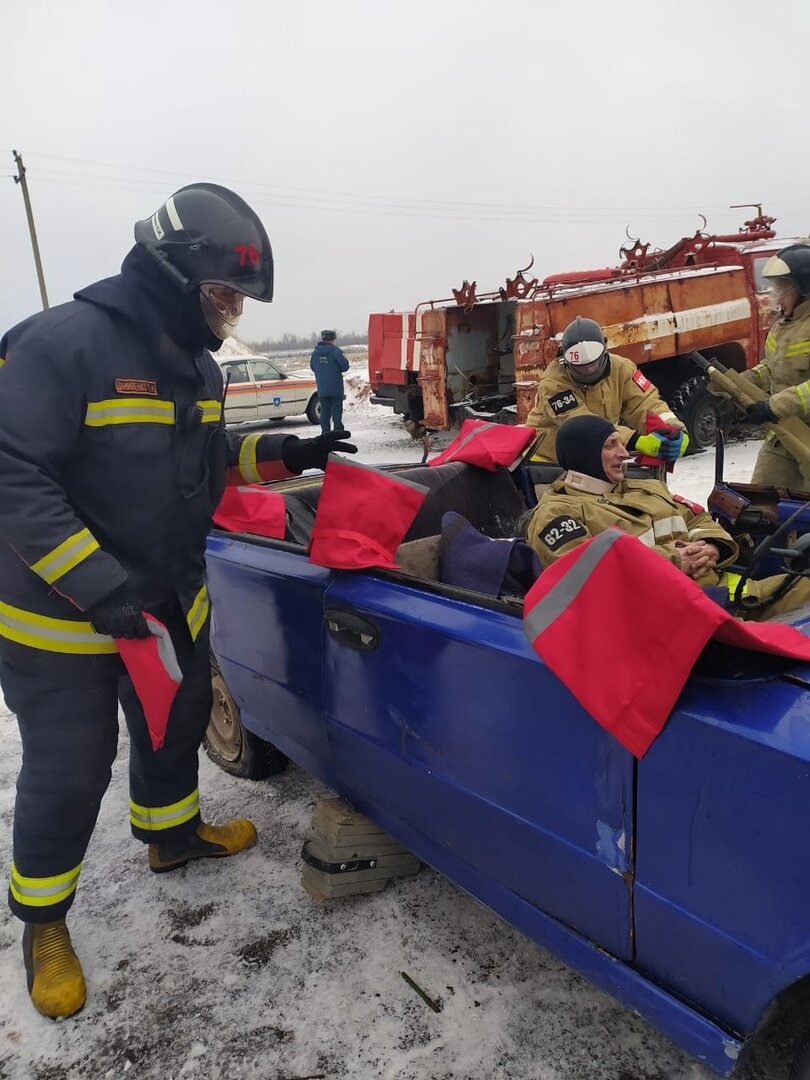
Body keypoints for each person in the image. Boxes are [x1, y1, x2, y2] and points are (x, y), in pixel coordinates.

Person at [0, 183, 357, 1020]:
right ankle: (44, 922)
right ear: (170, 274)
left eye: (239, 299)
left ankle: (171, 837)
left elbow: (203, 455)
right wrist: (99, 587)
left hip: (166, 597)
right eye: (224, 294)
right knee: (71, 767)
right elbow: (14, 476)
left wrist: (286, 449)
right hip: (63, 615)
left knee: (177, 720)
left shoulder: (193, 362)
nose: (232, 310)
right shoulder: (62, 346)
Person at [526, 415, 810, 617]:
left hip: (723, 594)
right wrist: (675, 560)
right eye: (610, 445)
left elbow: (698, 519)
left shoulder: (648, 487)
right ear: (585, 455)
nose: (625, 453)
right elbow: (586, 577)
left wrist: (711, 546)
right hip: (670, 618)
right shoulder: (557, 513)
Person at [526, 315, 689, 464]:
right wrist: (634, 440)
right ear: (565, 361)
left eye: (594, 364)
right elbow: (582, 425)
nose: (590, 371)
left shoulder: (623, 368)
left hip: (600, 453)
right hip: (549, 460)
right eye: (581, 368)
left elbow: (646, 403)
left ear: (605, 352)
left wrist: (672, 429)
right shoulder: (553, 383)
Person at [743, 244, 810, 489]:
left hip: (804, 434)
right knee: (761, 503)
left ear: (804, 289)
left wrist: (773, 406)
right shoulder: (782, 325)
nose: (776, 297)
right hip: (784, 435)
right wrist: (747, 379)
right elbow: (774, 367)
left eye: (782, 289)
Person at [310, 329, 350, 433]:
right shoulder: (336, 352)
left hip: (322, 387)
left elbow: (313, 367)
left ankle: (325, 432)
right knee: (336, 410)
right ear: (333, 338)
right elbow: (345, 366)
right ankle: (338, 431)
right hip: (335, 386)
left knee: (324, 411)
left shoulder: (315, 353)